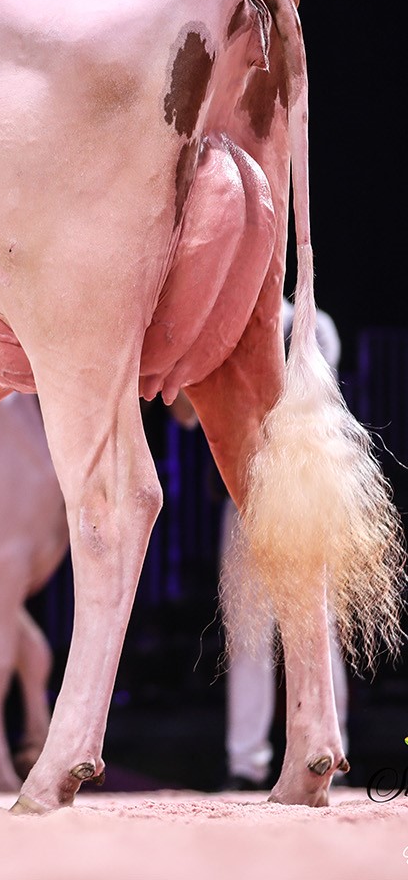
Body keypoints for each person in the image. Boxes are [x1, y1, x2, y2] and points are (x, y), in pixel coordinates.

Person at [218, 299, 350, 791]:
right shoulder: (223, 323)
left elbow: (305, 408)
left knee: (317, 626)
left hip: (302, 490)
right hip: (246, 491)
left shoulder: (314, 327)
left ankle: (327, 745)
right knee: (248, 632)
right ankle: (245, 761)